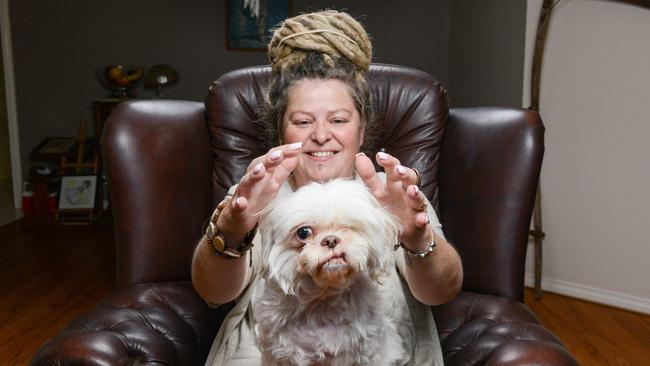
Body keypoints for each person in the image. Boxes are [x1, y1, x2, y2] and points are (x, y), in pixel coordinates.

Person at [191, 10, 463, 365]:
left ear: (361, 130)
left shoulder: (392, 193)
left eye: (338, 120)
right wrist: (230, 230)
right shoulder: (255, 193)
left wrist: (417, 238)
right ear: (281, 132)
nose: (321, 135)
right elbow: (213, 290)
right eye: (303, 121)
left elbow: (441, 291)